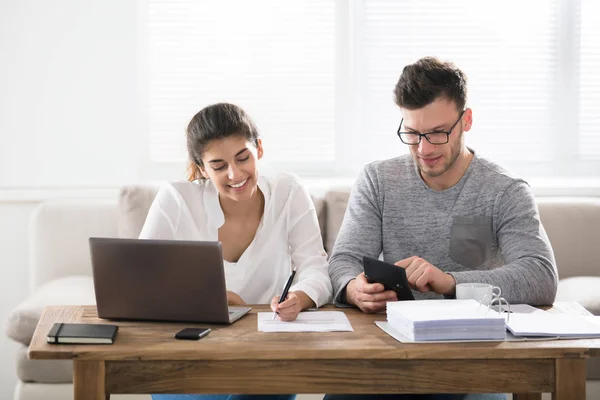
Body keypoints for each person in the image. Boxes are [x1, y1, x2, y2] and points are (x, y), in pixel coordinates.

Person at [326, 57, 558, 400]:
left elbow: (541, 276)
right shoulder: (378, 180)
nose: (423, 149)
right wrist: (351, 288)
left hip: (473, 359)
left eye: (437, 133)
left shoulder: (504, 189)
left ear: (466, 120)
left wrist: (450, 283)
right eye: (412, 133)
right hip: (388, 356)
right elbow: (343, 259)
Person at [141, 102, 332, 400]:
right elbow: (140, 280)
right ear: (202, 168)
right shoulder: (176, 199)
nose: (235, 174)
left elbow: (315, 267)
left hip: (265, 354)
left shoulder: (288, 190)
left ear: (259, 149)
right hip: (192, 352)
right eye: (218, 166)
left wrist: (300, 297)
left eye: (243, 158)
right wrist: (213, 300)